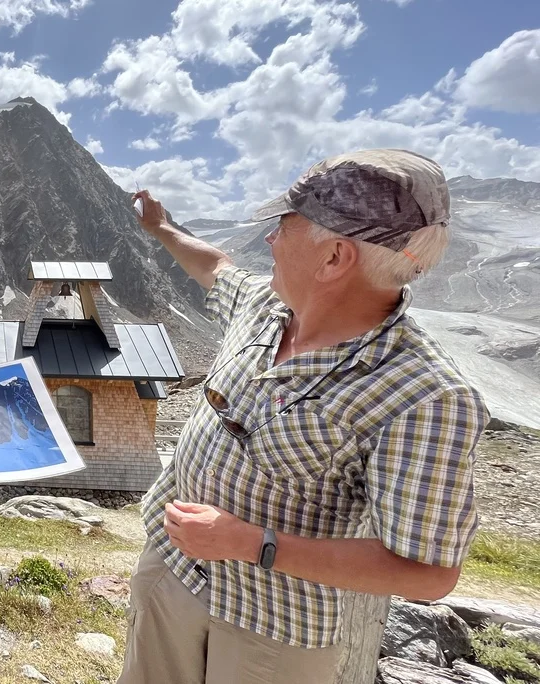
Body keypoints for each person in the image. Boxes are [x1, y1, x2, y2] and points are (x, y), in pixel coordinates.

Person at [118, 149, 488, 684]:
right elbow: (216, 267)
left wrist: (252, 543)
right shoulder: (266, 309)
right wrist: (162, 228)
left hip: (272, 623)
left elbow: (429, 573)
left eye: (284, 226)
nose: (269, 240)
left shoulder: (425, 395)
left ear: (335, 257)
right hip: (172, 570)